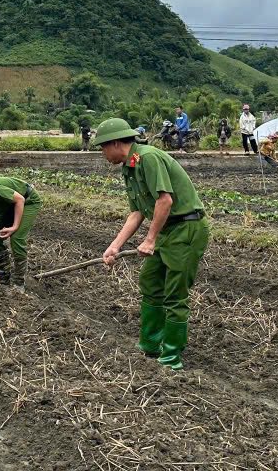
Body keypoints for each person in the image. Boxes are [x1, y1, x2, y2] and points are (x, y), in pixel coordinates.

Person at [93, 117, 208, 371]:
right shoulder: (130, 168)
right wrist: (115, 245)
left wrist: (150, 239)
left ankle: (171, 357)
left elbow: (164, 201)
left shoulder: (148, 157)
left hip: (186, 228)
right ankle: (150, 345)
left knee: (175, 294)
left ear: (114, 143)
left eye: (102, 148)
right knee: (150, 282)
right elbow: (136, 213)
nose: (102, 154)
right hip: (168, 230)